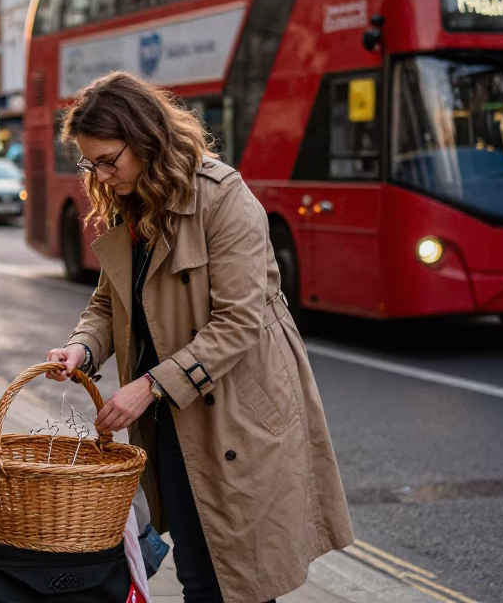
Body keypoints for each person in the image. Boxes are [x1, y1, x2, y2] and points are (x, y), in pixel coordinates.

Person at [45, 72, 353, 603]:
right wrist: (83, 347)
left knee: (240, 580)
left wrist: (146, 387)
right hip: (172, 412)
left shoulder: (221, 196)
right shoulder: (130, 199)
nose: (98, 173)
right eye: (90, 162)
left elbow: (239, 320)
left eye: (107, 160)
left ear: (144, 139)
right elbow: (108, 300)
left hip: (236, 412)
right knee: (199, 573)